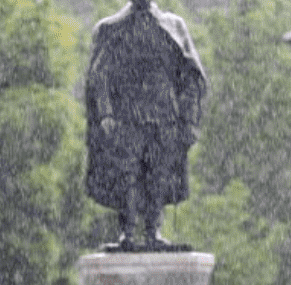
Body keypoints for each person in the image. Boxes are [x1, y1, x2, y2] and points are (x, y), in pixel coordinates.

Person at [85, 0, 206, 250]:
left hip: (164, 115)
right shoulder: (112, 27)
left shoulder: (173, 25)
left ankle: (153, 231)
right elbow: (100, 75)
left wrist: (190, 119)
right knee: (127, 173)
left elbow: (190, 77)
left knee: (158, 174)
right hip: (126, 114)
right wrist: (106, 113)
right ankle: (127, 232)